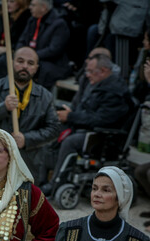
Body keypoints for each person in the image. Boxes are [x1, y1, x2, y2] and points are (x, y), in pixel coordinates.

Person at [43, 53, 131, 195]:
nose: (87, 75)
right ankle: (42, 178)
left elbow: (101, 119)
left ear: (103, 71)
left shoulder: (115, 91)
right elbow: (87, 111)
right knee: (51, 130)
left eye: (90, 71)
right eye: (87, 71)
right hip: (87, 128)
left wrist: (71, 116)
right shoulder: (99, 84)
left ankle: (56, 183)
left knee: (70, 142)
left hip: (105, 137)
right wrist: (71, 114)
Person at [0, 46, 60, 185]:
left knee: (20, 205)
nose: (25, 66)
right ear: (11, 62)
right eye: (20, 61)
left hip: (27, 163)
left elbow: (54, 129)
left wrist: (27, 139)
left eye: (30, 63)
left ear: (36, 67)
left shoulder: (45, 97)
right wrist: (3, 108)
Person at [16, 0, 70, 89]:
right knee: (8, 61)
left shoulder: (59, 24)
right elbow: (22, 41)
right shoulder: (32, 20)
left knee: (37, 68)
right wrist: (20, 54)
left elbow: (54, 49)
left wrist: (31, 57)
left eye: (33, 5)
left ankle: (37, 99)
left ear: (43, 7)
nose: (30, 7)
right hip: (34, 59)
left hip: (53, 63)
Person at [0, 0, 31, 80]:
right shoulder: (1, 17)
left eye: (12, 2)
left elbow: (22, 41)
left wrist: (7, 49)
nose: (8, 4)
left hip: (13, 51)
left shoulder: (25, 20)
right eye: (7, 2)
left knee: (1, 62)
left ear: (20, 3)